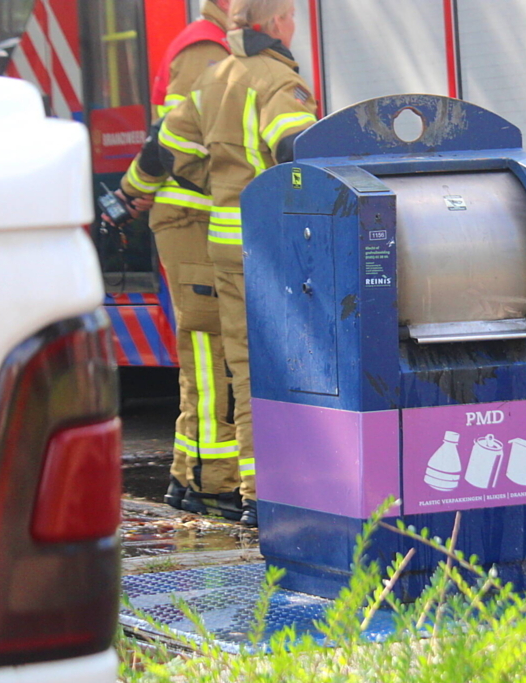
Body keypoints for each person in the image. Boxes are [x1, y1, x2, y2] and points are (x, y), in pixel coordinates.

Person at [160, 0, 318, 527]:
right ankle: (264, 493)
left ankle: (253, 491)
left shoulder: (213, 76)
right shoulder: (275, 79)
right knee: (268, 375)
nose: (295, 25)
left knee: (242, 371)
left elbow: (173, 149)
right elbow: (294, 146)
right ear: (276, 23)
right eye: (292, 15)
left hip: (224, 249)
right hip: (268, 250)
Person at [119, 0, 246, 521]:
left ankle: (190, 474)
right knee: (209, 346)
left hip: (190, 220)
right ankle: (212, 481)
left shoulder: (209, 45)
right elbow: (181, 140)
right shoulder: (203, 49)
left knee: (204, 349)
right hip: (192, 220)